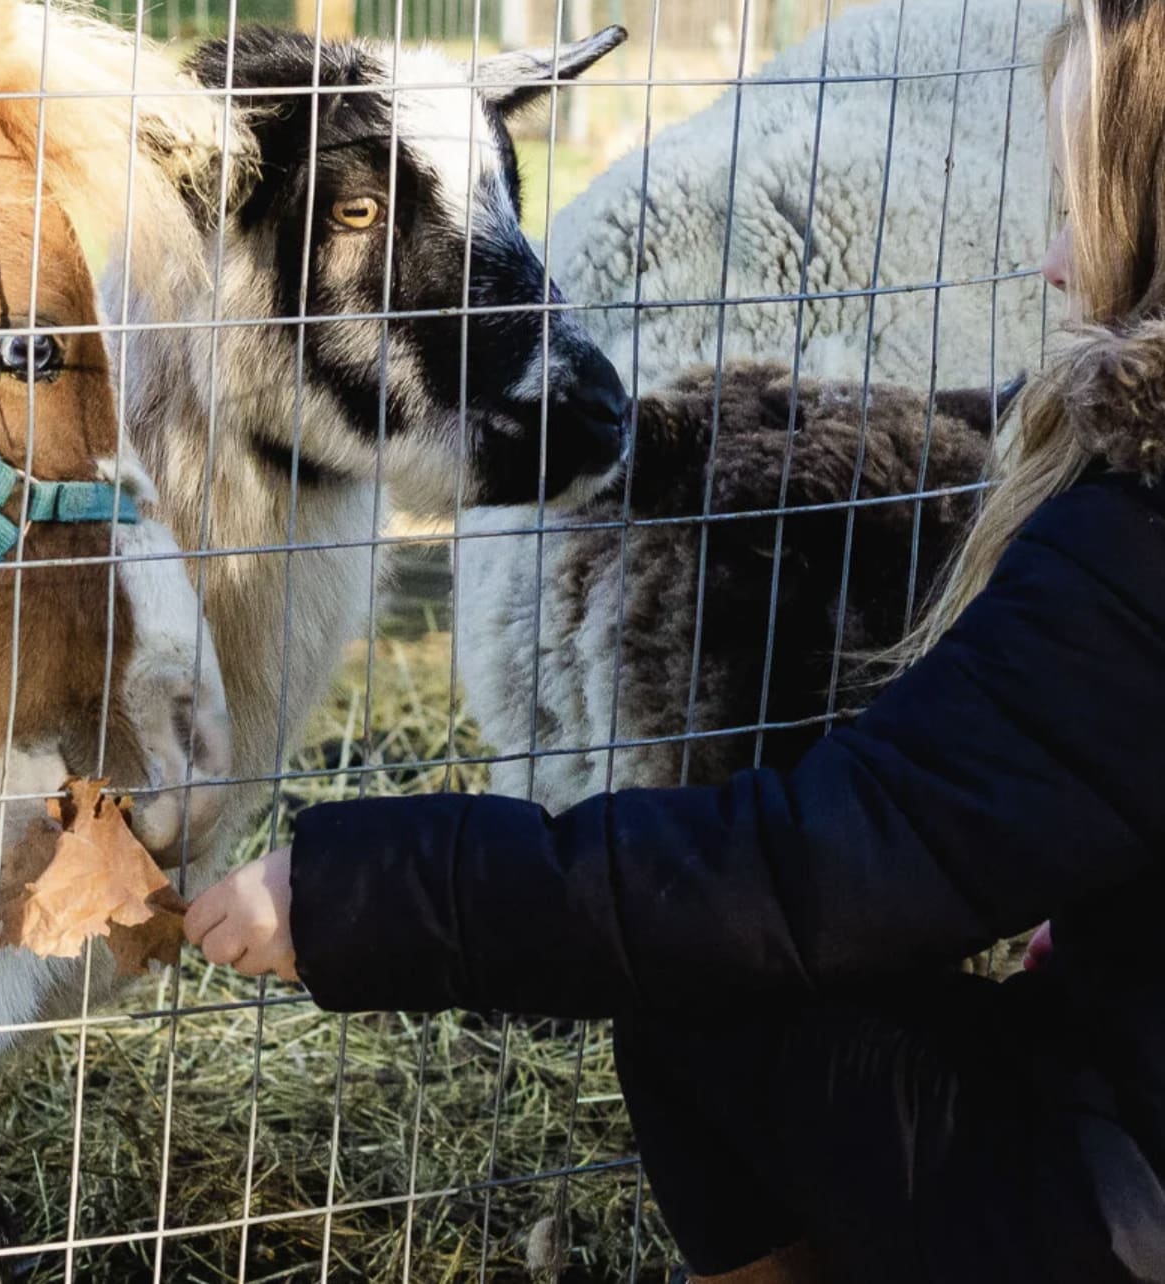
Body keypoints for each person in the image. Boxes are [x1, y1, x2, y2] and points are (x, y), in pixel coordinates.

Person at [183, 2, 1165, 1281]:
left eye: (1086, 213)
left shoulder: (1133, 549)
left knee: (699, 983)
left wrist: (363, 892)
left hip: (1129, 1213)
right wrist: (665, 439)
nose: (1049, 262)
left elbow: (807, 870)